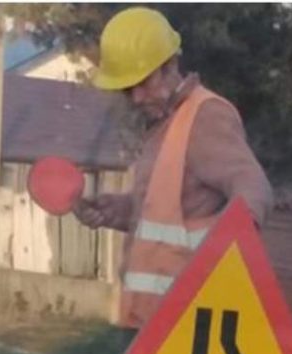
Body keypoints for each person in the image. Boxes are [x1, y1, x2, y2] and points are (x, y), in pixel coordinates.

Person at [73, 7, 274, 328]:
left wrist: (222, 259)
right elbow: (175, 215)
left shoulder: (205, 117)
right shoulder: (165, 124)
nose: (136, 97)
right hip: (152, 323)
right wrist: (123, 210)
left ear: (171, 65)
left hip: (189, 326)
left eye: (143, 82)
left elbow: (255, 190)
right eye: (127, 89)